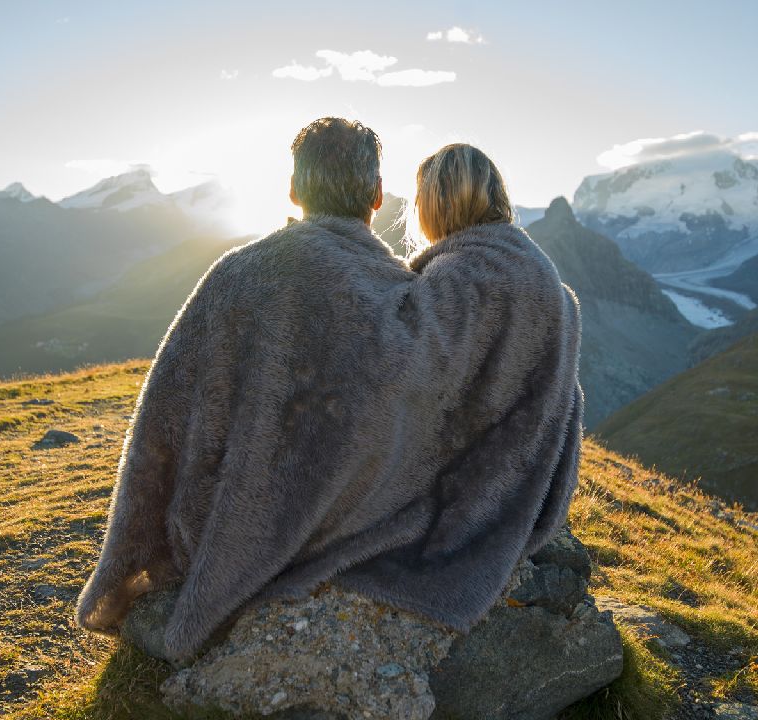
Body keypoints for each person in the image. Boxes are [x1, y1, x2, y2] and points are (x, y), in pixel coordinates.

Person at [75, 119, 583, 663]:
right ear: (375, 197)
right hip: (347, 514)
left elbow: (165, 411)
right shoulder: (400, 292)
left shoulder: (234, 273)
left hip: (222, 517)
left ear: (292, 191)